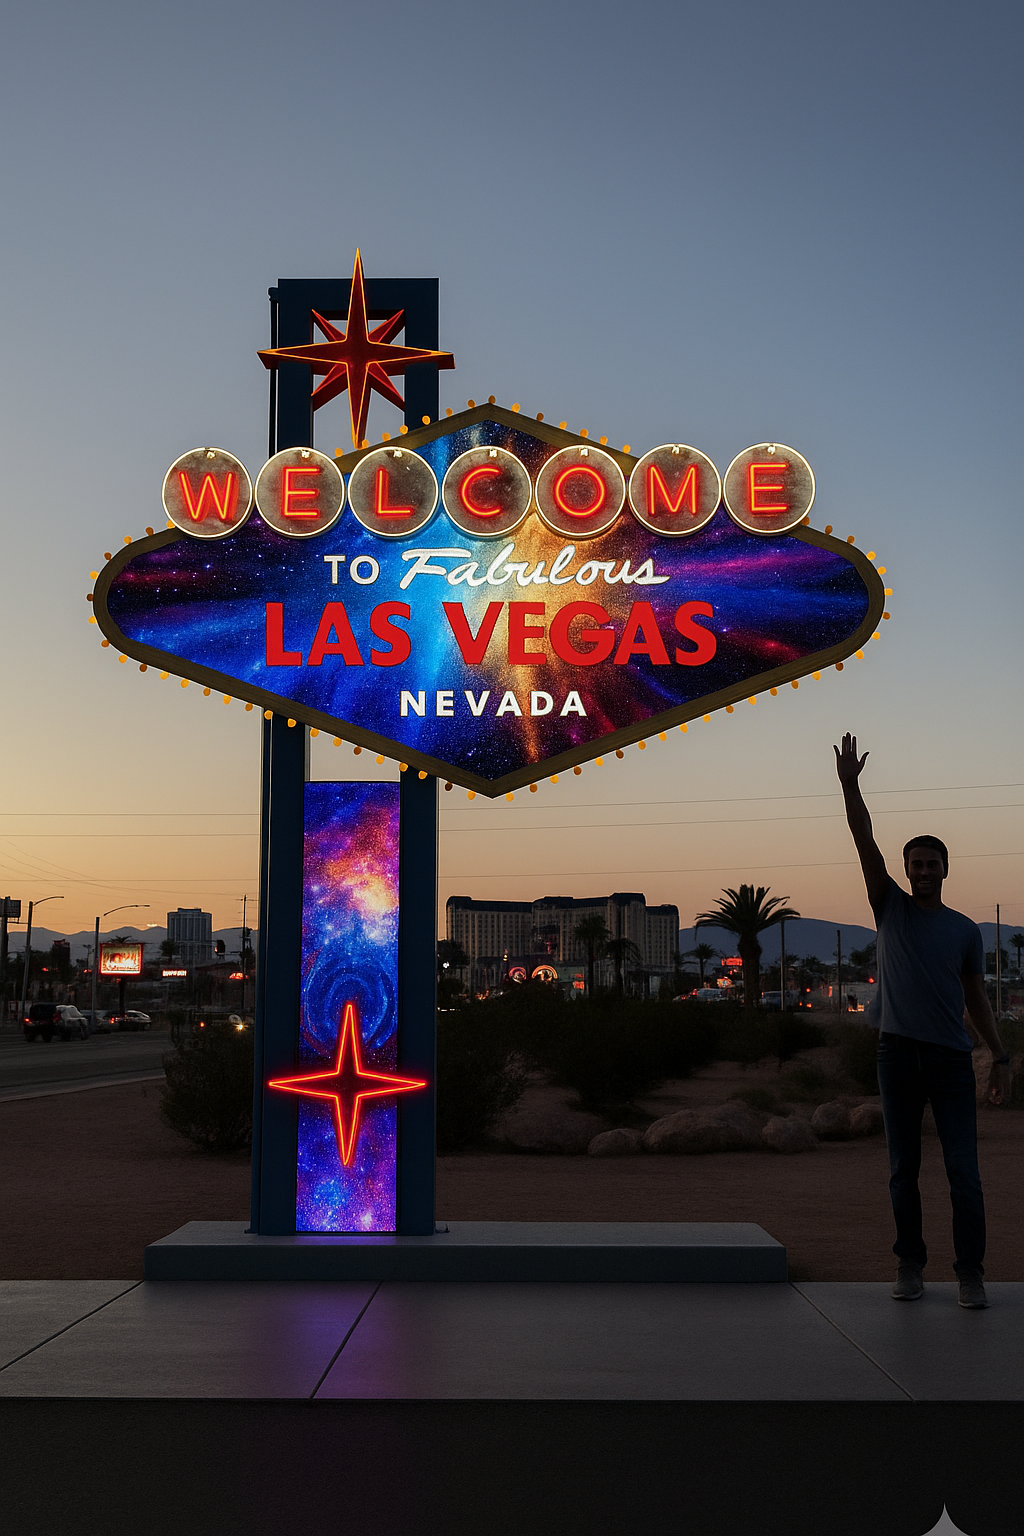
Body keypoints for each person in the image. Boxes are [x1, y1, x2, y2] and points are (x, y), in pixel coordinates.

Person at [834, 733, 1010, 1309]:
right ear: (907, 870)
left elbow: (975, 996)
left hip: (950, 1059)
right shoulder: (890, 906)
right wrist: (850, 787)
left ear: (946, 869)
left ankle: (970, 1274)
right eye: (917, 863)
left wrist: (1000, 1056)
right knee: (901, 1168)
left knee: (964, 1172)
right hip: (896, 1054)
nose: (925, 870)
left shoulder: (964, 930)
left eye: (933, 863)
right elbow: (865, 842)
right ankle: (909, 1265)